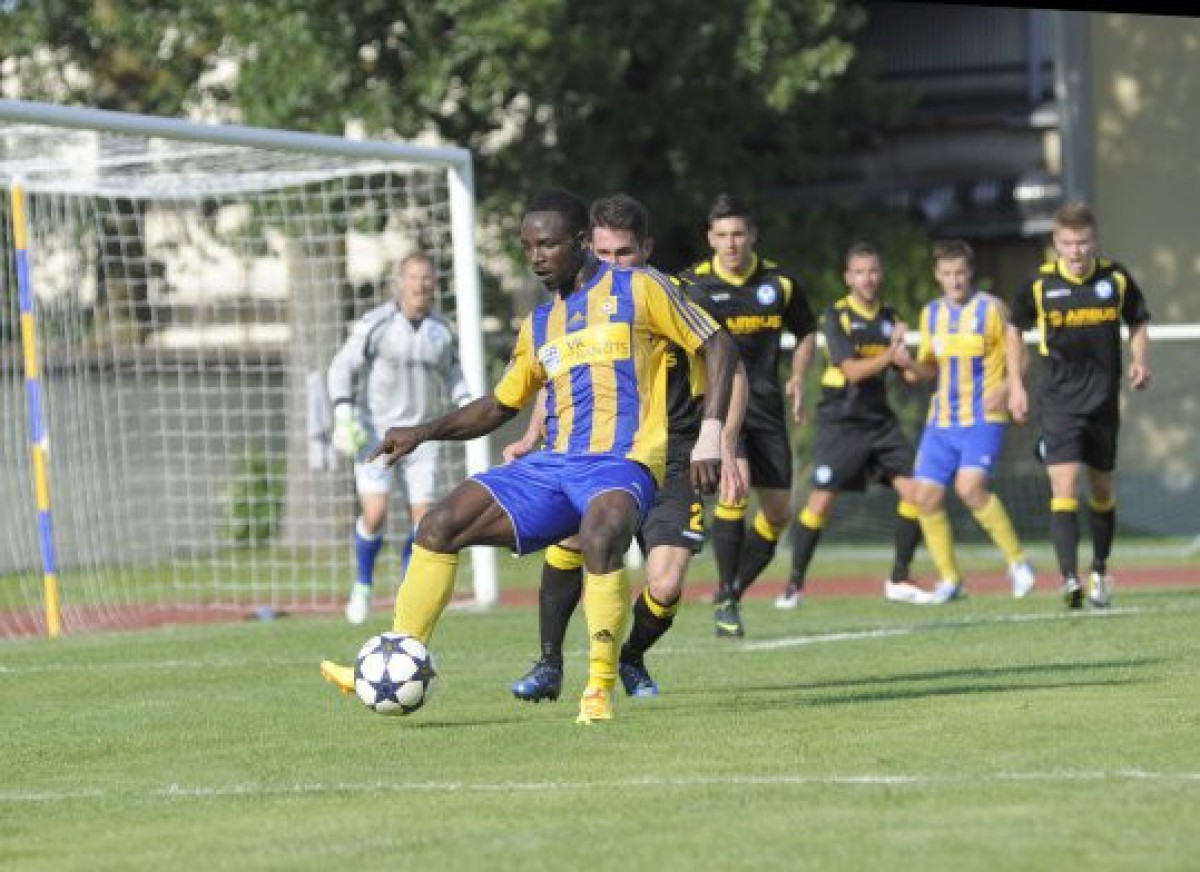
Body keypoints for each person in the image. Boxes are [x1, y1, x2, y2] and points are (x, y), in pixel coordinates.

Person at [320, 188, 740, 724]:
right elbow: (500, 405)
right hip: (554, 464)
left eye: (548, 245)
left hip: (623, 461)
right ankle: (393, 660)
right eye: (528, 247)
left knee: (601, 534)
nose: (536, 257)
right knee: (439, 525)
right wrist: (423, 432)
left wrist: (712, 434)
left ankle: (598, 689)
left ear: (581, 242)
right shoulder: (540, 323)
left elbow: (717, 343)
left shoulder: (641, 287)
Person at [504, 193, 747, 702]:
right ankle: (549, 663)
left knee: (665, 584)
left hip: (676, 456)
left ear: (647, 249)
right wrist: (531, 434)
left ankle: (630, 656)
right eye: (604, 253)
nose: (613, 264)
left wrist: (723, 442)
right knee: (571, 541)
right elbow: (557, 369)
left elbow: (731, 367)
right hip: (606, 453)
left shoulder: (672, 293)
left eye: (625, 253)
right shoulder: (578, 301)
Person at [678, 193, 817, 638]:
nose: (731, 243)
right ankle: (726, 597)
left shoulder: (780, 284)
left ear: (752, 235)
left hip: (768, 409)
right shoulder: (692, 286)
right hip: (719, 407)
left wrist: (799, 375)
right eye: (722, 235)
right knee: (734, 490)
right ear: (710, 238)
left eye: (738, 234)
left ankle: (732, 591)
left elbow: (807, 331)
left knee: (778, 513)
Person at [1009, 202, 1151, 609]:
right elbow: (1014, 329)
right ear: (1056, 243)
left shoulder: (1115, 278)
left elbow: (1138, 321)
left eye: (1082, 242)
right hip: (1059, 401)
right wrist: (1015, 384)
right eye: (1068, 243)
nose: (1075, 251)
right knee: (1065, 483)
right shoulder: (1039, 285)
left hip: (1103, 401)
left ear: (1095, 242)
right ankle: (1070, 580)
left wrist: (1140, 360)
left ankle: (1099, 571)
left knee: (1101, 487)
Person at [774, 242, 930, 610]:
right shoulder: (836, 316)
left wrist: (907, 360)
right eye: (859, 272)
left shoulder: (891, 318)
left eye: (873, 271)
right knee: (821, 502)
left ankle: (899, 579)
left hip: (880, 421)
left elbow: (913, 377)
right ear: (848, 277)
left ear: (881, 274)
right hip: (842, 422)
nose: (867, 278)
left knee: (918, 493)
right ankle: (794, 585)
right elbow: (852, 371)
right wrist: (890, 354)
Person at [327, 252, 473, 625]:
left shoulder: (441, 330)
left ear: (434, 283)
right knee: (374, 513)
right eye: (413, 277)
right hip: (380, 434)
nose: (420, 285)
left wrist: (467, 403)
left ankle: (407, 595)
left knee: (423, 522)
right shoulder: (376, 324)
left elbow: (454, 373)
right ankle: (363, 585)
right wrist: (343, 412)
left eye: (426, 277)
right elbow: (342, 366)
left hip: (422, 438)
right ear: (400, 282)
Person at [902, 239, 1037, 603]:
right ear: (937, 275)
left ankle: (1019, 562)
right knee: (924, 497)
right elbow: (928, 369)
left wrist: (1008, 387)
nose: (955, 280)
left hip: (983, 416)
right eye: (947, 274)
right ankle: (950, 580)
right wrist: (905, 363)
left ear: (971, 272)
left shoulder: (992, 310)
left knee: (969, 488)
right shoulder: (931, 314)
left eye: (960, 273)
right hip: (941, 420)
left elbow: (1021, 356)